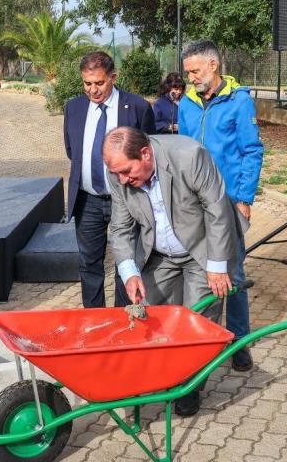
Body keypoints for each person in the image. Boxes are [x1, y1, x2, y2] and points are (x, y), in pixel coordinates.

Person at [104, 127, 239, 417]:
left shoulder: (189, 156)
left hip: (201, 249)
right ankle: (166, 374)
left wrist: (216, 267)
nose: (123, 180)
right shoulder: (118, 174)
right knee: (156, 315)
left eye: (127, 171)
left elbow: (217, 210)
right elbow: (120, 228)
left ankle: (190, 387)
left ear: (145, 154)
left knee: (198, 320)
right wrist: (130, 273)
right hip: (159, 253)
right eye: (117, 174)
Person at [178, 40, 263, 373]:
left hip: (227, 202)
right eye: (188, 72)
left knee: (234, 273)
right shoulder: (186, 102)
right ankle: (202, 338)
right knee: (197, 268)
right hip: (192, 202)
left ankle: (239, 342)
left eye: (195, 71)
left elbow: (251, 152)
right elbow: (183, 149)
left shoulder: (239, 101)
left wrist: (243, 199)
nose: (191, 78)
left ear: (213, 65)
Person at [63, 51, 155, 308]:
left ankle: (124, 319)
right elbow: (72, 150)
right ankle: (94, 320)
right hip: (88, 200)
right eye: (87, 83)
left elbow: (148, 155)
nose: (93, 90)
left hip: (126, 199)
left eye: (99, 83)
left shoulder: (137, 107)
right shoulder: (74, 108)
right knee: (89, 265)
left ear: (114, 77)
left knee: (126, 264)